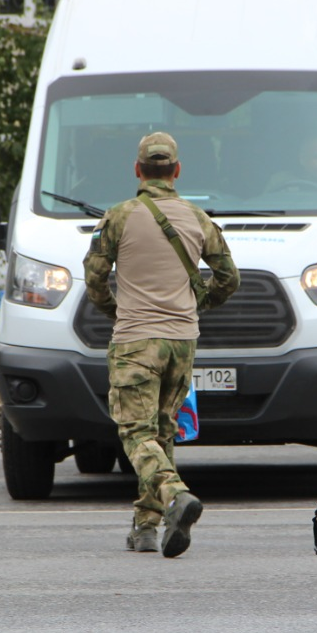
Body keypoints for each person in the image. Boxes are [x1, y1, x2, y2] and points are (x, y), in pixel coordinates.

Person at [83, 132, 240, 558]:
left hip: (136, 339)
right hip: (182, 341)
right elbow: (229, 277)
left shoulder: (118, 217)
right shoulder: (197, 218)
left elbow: (94, 278)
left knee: (136, 434)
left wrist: (116, 311)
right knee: (162, 432)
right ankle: (147, 527)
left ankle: (175, 495)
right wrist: (200, 303)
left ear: (137, 171)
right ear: (176, 171)